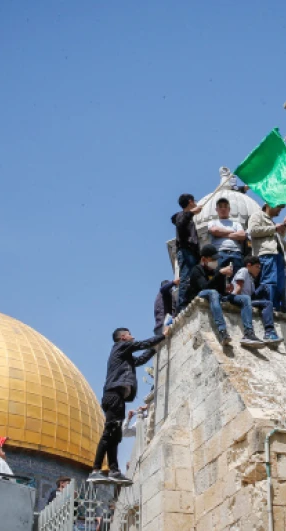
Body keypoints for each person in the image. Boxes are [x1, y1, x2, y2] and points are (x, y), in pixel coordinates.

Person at [88, 328, 165, 486]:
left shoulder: (124, 356)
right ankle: (95, 470)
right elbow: (142, 344)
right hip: (113, 395)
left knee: (115, 436)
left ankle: (114, 471)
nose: (133, 336)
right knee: (109, 432)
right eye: (130, 334)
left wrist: (155, 348)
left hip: (118, 398)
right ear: (123, 337)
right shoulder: (120, 347)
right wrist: (163, 335)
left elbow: (140, 360)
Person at [185, 245, 264, 347]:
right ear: (204, 259)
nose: (215, 262)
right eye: (212, 259)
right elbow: (205, 287)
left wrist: (226, 284)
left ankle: (249, 333)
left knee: (245, 298)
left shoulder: (214, 271)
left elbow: (221, 292)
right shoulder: (196, 270)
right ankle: (222, 331)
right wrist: (220, 273)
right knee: (212, 292)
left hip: (217, 296)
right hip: (201, 294)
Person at [248, 203, 286, 313]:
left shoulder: (273, 223)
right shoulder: (258, 215)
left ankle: (274, 308)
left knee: (279, 287)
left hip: (278, 258)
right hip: (266, 255)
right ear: (268, 205)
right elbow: (253, 231)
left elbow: (284, 246)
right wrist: (274, 228)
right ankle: (266, 307)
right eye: (278, 207)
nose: (280, 211)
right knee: (269, 283)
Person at [232, 255, 283, 344]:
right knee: (263, 300)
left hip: (248, 300)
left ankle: (269, 333)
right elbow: (238, 288)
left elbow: (252, 295)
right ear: (249, 265)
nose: (259, 270)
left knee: (267, 301)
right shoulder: (243, 271)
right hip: (240, 299)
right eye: (257, 267)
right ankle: (268, 332)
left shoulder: (251, 278)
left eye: (260, 268)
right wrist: (231, 299)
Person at [171, 193, 203, 312]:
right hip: (186, 251)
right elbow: (180, 224)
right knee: (186, 276)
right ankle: (183, 304)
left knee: (192, 276)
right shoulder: (181, 216)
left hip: (192, 252)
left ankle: (191, 299)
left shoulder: (187, 218)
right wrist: (192, 212)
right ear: (190, 201)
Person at [208, 197, 247, 274]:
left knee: (236, 278)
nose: (223, 209)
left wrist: (221, 234)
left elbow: (242, 235)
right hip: (219, 252)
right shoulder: (212, 222)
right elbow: (215, 231)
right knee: (218, 277)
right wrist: (233, 232)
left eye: (225, 206)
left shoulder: (236, 223)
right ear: (216, 209)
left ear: (229, 209)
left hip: (236, 253)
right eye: (220, 207)